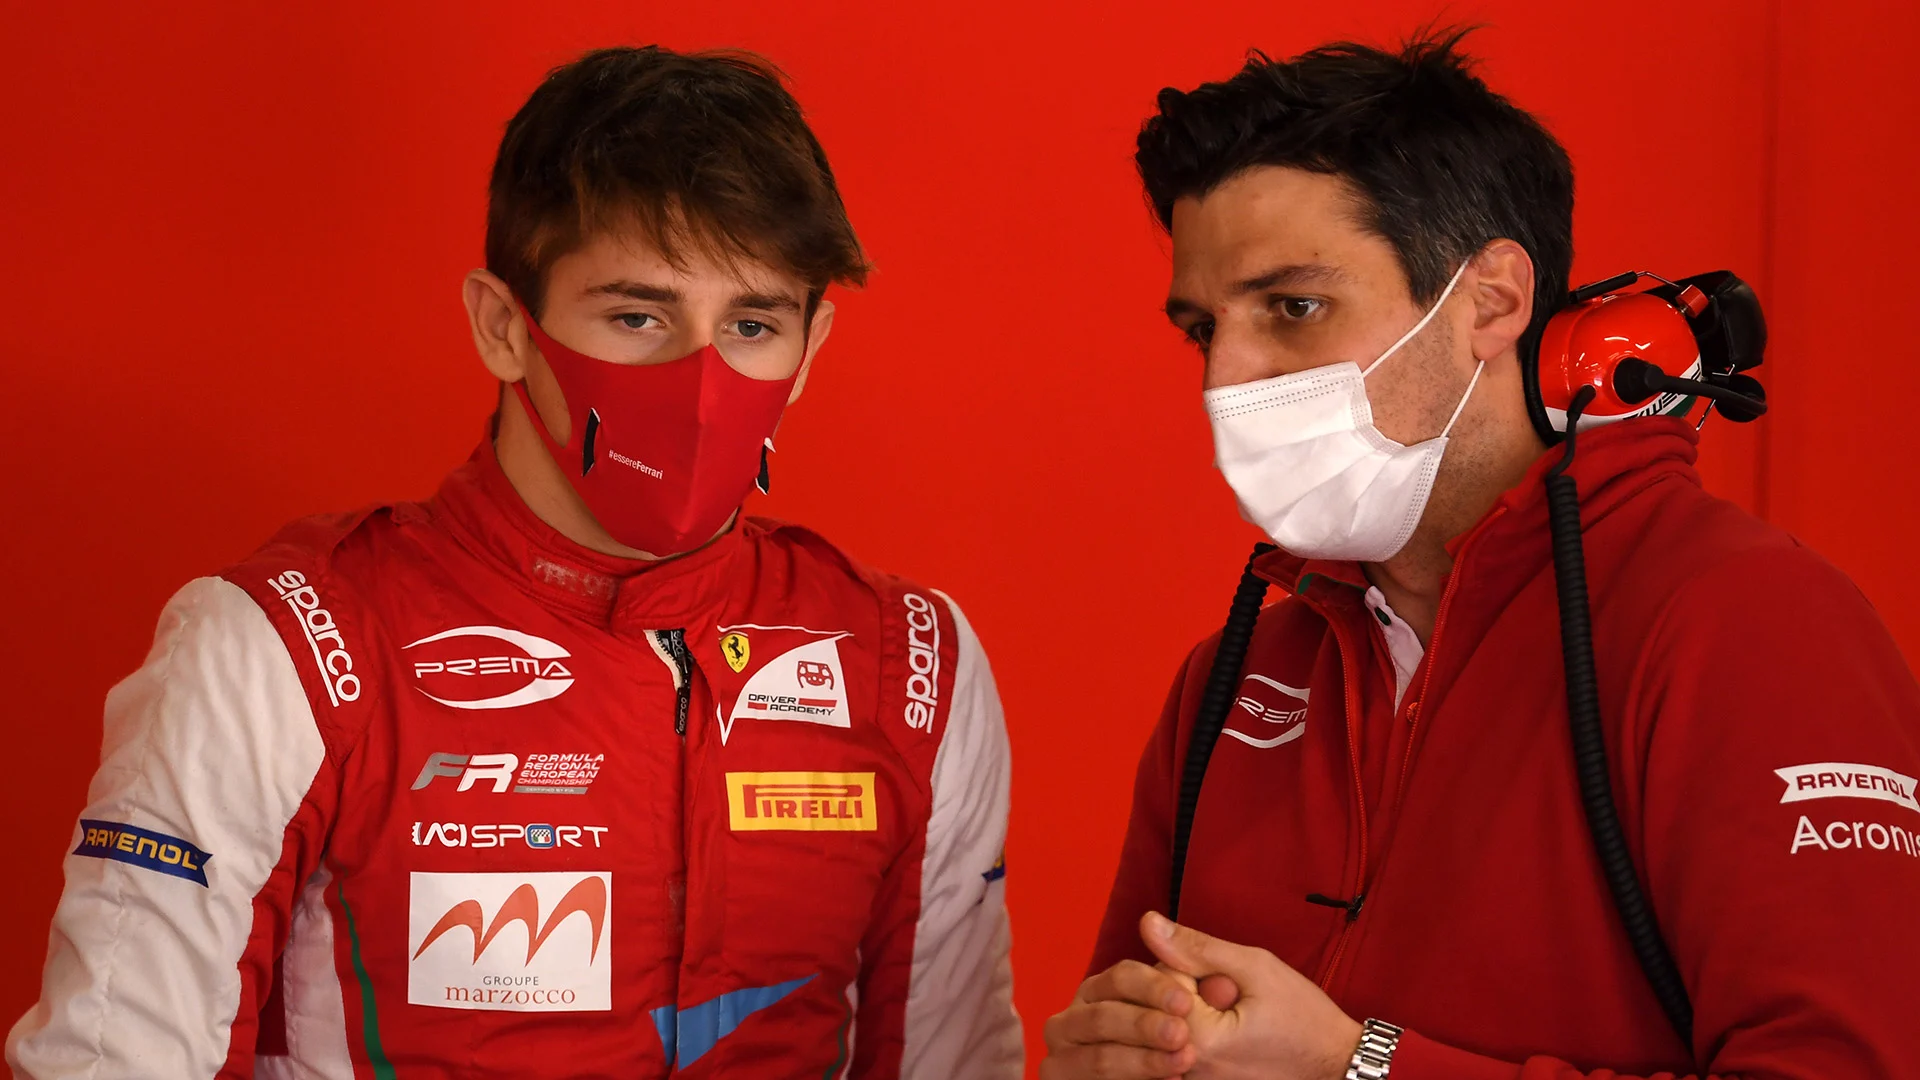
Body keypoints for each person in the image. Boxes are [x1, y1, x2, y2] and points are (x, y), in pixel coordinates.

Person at [8, 46, 1021, 1080]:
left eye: (753, 324)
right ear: (503, 326)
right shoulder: (284, 646)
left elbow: (954, 1066)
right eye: (638, 315)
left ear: (810, 353)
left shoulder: (909, 668)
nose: (703, 381)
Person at [1042, 29, 1920, 1080]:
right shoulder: (1233, 680)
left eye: (1293, 308)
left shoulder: (1748, 623)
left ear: (1493, 299)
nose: (1227, 378)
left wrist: (1356, 1068)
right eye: (1201, 329)